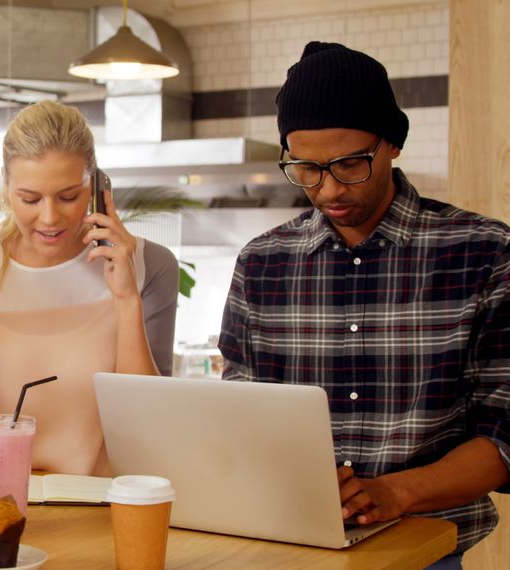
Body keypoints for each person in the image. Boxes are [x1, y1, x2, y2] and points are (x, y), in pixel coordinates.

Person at [218, 41, 510, 565]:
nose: (329, 189)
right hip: (286, 546)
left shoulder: (483, 253)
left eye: (349, 163)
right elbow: (239, 419)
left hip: (427, 555)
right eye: (306, 168)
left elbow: (505, 433)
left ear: (392, 143)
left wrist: (394, 492)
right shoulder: (262, 263)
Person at [0, 101, 179, 475]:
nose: (50, 218)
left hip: (102, 510)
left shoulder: (149, 267)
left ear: (97, 185)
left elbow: (149, 428)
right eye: (30, 199)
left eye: (69, 196)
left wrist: (126, 298)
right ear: (6, 186)